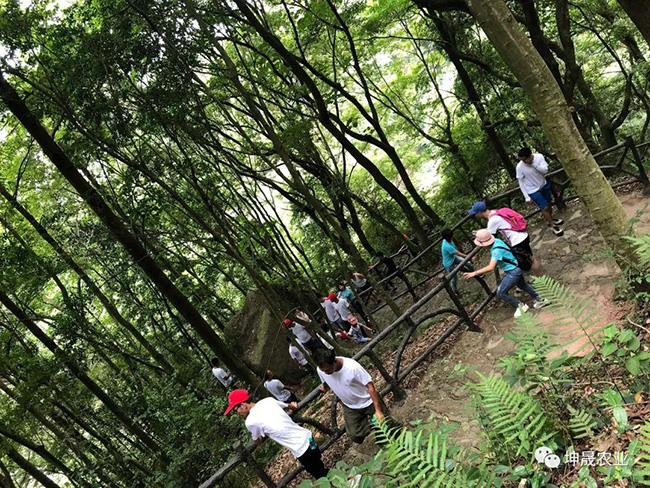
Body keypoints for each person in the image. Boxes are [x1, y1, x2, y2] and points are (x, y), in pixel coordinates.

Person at [224, 389, 329, 480]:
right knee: (321, 467)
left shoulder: (250, 421)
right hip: (308, 437)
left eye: (236, 409)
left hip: (301, 449)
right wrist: (293, 406)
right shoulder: (267, 401)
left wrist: (259, 435)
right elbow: (289, 406)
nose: (237, 413)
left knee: (320, 476)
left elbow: (258, 442)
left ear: (243, 405)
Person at [463, 229, 549, 318]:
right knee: (523, 285)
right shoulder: (497, 241)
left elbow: (491, 267)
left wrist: (475, 273)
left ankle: (520, 306)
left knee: (501, 292)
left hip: (513, 272)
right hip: (517, 266)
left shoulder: (496, 251)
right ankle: (541, 299)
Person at [314, 348, 385, 444]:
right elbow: (325, 379)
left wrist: (378, 410)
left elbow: (370, 386)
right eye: (324, 371)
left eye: (328, 370)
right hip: (350, 405)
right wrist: (324, 386)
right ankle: (373, 426)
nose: (326, 373)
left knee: (386, 424)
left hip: (368, 400)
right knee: (355, 435)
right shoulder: (321, 370)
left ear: (334, 361)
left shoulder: (352, 367)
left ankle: (383, 433)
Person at [468, 201, 541, 276]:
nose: (475, 215)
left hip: (517, 241)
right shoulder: (495, 212)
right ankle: (539, 277)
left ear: (479, 213)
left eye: (475, 213)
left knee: (524, 262)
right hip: (523, 235)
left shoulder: (492, 220)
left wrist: (478, 235)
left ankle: (539, 278)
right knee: (531, 258)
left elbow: (488, 235)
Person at [517, 148, 564, 236]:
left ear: (530, 156)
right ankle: (552, 225)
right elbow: (521, 182)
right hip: (532, 189)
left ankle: (551, 219)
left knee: (549, 203)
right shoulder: (519, 167)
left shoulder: (539, 157)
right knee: (544, 207)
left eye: (525, 159)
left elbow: (545, 170)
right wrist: (526, 197)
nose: (524, 162)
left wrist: (534, 164)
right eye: (522, 160)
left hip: (543, 184)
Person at [440, 228, 474, 295]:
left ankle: (474, 273)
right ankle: (454, 291)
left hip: (453, 257)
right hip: (449, 264)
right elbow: (459, 253)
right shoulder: (447, 246)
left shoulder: (447, 240)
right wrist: (469, 256)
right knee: (454, 278)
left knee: (468, 263)